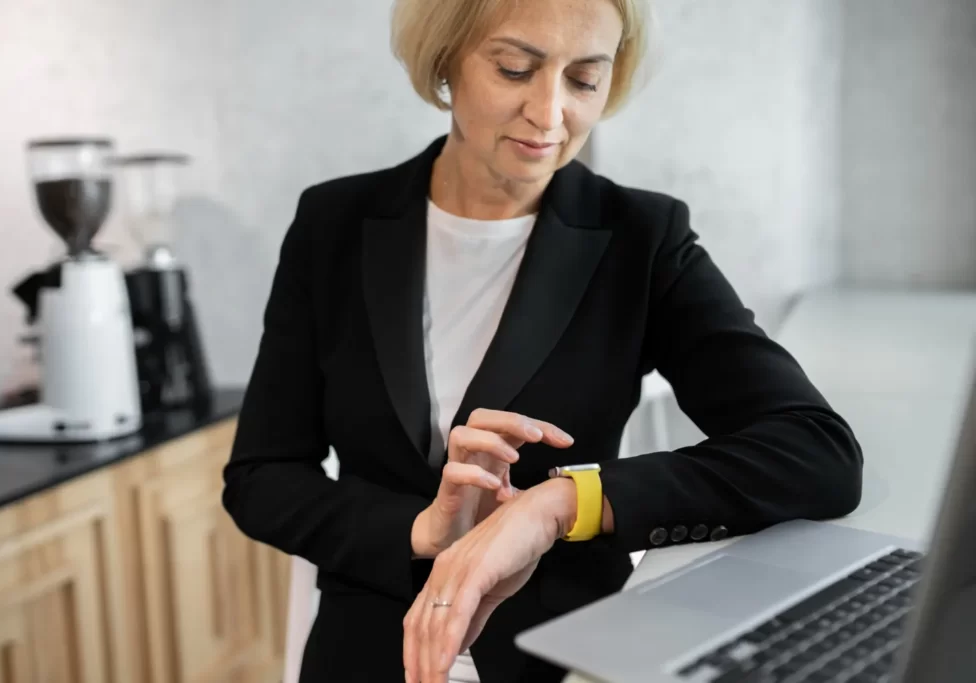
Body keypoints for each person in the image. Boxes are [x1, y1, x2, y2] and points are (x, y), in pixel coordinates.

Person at [221, 0, 864, 681]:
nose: (549, 113)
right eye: (514, 69)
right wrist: (421, 531)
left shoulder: (642, 239)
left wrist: (560, 504)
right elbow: (261, 478)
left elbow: (815, 452)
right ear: (445, 62)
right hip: (370, 650)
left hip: (564, 654)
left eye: (584, 80)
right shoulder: (334, 224)